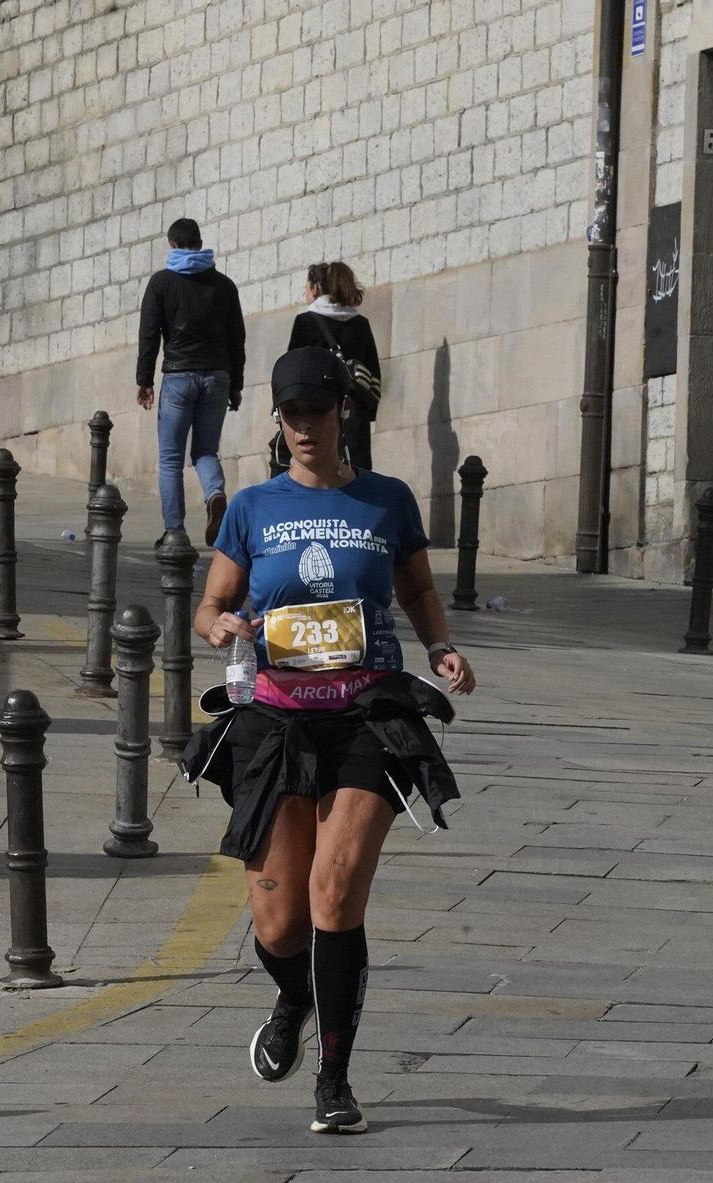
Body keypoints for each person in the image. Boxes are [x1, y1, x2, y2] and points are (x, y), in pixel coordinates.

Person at [182, 345, 475, 1135]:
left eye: (317, 410)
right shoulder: (252, 507)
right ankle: (297, 994)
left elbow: (415, 584)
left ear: (342, 411)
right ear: (277, 421)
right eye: (291, 414)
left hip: (366, 712)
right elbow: (210, 605)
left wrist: (440, 645)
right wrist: (224, 626)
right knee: (279, 926)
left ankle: (335, 1080)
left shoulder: (386, 501)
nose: (306, 425)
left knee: (335, 892)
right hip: (275, 717)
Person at [136, 217, 246, 546]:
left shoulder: (161, 283)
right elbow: (236, 338)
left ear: (171, 245)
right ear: (200, 244)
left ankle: (174, 532)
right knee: (205, 451)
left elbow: (149, 335)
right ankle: (214, 495)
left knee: (171, 458)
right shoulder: (224, 286)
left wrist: (144, 379)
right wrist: (236, 383)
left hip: (178, 378)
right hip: (217, 377)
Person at [286, 262, 382, 471]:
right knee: (356, 474)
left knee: (318, 474)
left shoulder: (305, 322)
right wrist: (367, 411)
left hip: (317, 411)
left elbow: (292, 372)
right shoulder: (360, 323)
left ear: (315, 288)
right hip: (353, 412)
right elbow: (373, 373)